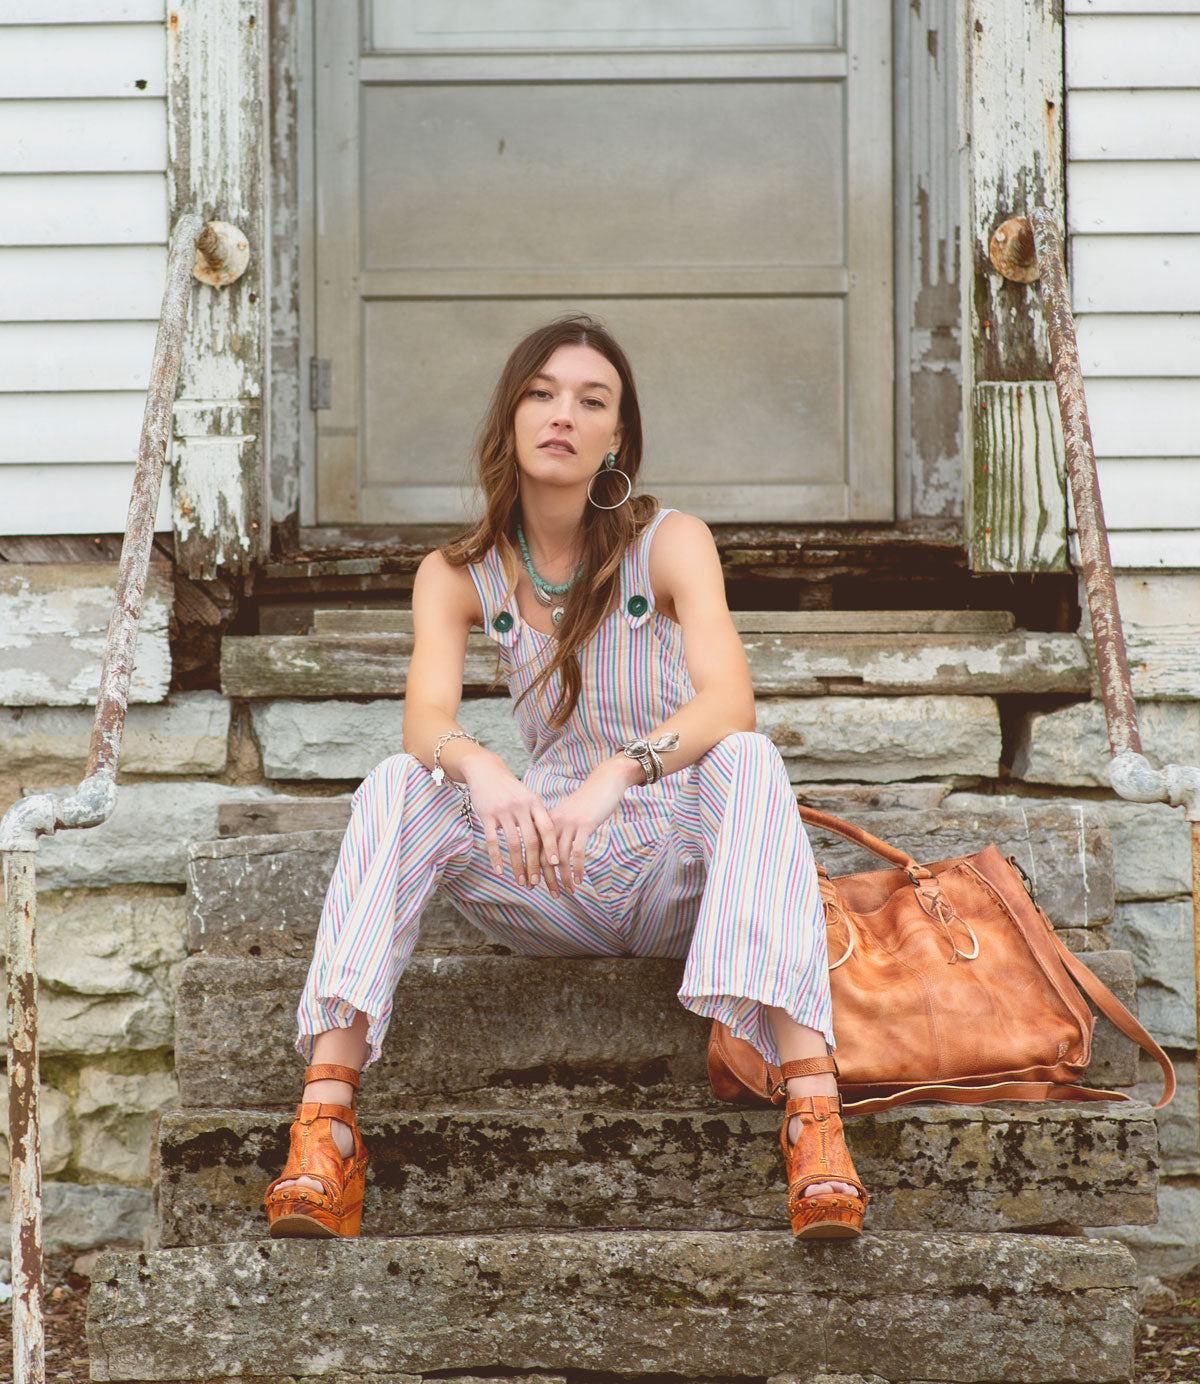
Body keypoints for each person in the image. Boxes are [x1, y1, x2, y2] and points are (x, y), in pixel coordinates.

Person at [263, 315, 869, 1240]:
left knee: (750, 758)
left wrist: (620, 775)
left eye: (593, 401)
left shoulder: (670, 543)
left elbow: (730, 703)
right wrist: (484, 769)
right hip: (547, 866)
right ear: (510, 416)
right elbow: (424, 718)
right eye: (542, 394)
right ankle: (326, 1130)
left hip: (670, 866)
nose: (564, 415)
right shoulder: (456, 571)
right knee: (399, 780)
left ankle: (814, 1124)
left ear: (617, 437)